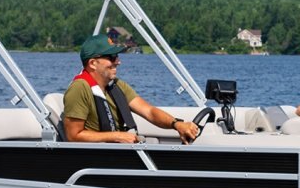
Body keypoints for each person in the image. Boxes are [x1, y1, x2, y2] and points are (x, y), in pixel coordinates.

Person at [63, 33, 201, 144]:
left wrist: (177, 124)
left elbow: (149, 112)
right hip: (98, 158)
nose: (118, 61)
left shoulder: (117, 85)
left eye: (117, 56)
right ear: (93, 63)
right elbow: (73, 136)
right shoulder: (79, 88)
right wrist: (117, 136)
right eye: (112, 57)